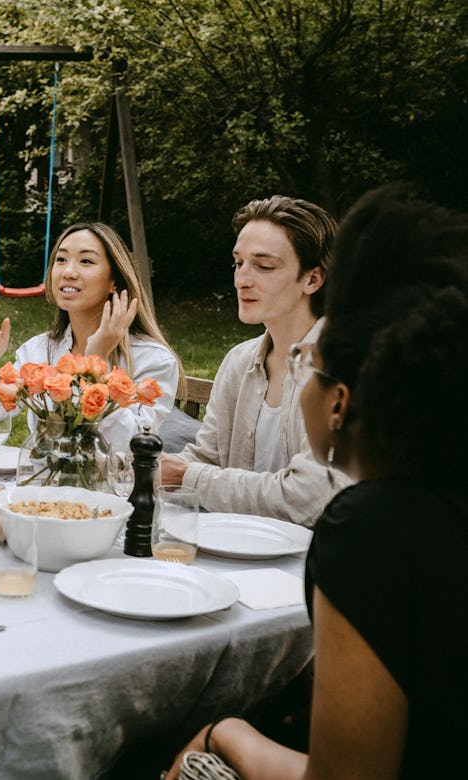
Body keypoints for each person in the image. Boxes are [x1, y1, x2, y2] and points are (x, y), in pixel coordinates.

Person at [165, 185, 468, 779]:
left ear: (338, 403)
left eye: (311, 367)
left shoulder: (367, 530)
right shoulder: (435, 504)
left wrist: (225, 733)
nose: (243, 277)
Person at [160, 195, 347, 526]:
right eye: (238, 263)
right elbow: (206, 459)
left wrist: (188, 476)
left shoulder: (341, 368)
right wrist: (142, 468)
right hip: (237, 548)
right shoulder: (240, 360)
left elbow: (309, 498)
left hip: (323, 563)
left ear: (313, 279)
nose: (241, 279)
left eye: (264, 266)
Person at [0, 222, 182, 454]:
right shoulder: (39, 350)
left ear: (114, 281)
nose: (68, 272)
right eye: (61, 260)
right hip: (43, 486)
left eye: (86, 261)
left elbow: (130, 447)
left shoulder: (153, 360)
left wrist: (97, 361)